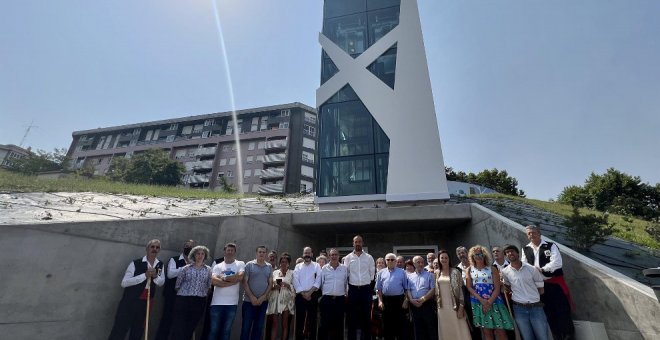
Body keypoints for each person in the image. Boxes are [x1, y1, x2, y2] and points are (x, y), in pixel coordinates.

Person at [521, 225, 575, 340]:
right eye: (529, 233)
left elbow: (557, 262)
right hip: (539, 287)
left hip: (554, 284)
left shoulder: (550, 246)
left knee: (562, 310)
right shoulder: (525, 249)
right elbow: (524, 265)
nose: (531, 235)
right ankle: (557, 336)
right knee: (548, 312)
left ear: (539, 233)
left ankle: (568, 336)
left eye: (533, 232)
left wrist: (542, 269)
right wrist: (533, 272)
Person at [108, 239, 165, 340]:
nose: (155, 249)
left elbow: (161, 282)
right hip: (130, 301)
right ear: (147, 249)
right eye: (152, 247)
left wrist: (155, 276)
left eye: (157, 247)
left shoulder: (160, 265)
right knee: (120, 328)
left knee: (138, 330)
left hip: (146, 303)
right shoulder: (136, 263)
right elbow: (124, 283)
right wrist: (144, 275)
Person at [502, 244, 551, 340]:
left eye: (512, 251)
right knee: (527, 337)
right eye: (507, 252)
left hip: (536, 308)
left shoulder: (532, 269)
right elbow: (507, 286)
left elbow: (541, 289)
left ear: (517, 253)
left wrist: (532, 298)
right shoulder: (505, 272)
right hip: (519, 309)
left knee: (543, 337)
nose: (510, 253)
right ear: (506, 256)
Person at [465, 245, 514, 340]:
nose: (478, 256)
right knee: (487, 332)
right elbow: (469, 287)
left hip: (495, 302)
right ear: (472, 257)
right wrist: (482, 301)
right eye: (476, 255)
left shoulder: (492, 268)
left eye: (480, 254)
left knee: (500, 331)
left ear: (484, 255)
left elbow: (497, 287)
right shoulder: (469, 270)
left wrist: (489, 302)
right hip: (478, 303)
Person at [170, 245, 212, 340]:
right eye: (198, 253)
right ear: (194, 255)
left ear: (205, 256)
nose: (200, 256)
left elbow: (209, 287)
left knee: (191, 326)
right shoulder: (185, 268)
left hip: (199, 301)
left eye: (202, 254)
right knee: (179, 326)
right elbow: (177, 285)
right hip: (184, 300)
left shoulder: (208, 270)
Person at [156, 239, 194, 340]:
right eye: (187, 246)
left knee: (180, 323)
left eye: (191, 247)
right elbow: (170, 274)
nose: (189, 248)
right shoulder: (174, 259)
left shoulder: (195, 263)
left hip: (186, 297)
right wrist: (186, 267)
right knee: (167, 320)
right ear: (183, 247)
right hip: (172, 295)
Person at [208, 242, 245, 340]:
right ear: (224, 251)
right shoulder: (217, 266)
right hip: (216, 303)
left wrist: (223, 278)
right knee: (213, 330)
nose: (230, 252)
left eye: (232, 250)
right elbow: (213, 281)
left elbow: (240, 277)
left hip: (231, 304)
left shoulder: (240, 264)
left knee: (226, 331)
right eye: (228, 250)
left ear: (235, 252)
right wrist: (231, 282)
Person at [343, 235, 375, 340]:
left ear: (362, 243)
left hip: (365, 290)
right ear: (353, 243)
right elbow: (346, 274)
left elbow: (372, 274)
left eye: (359, 241)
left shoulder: (369, 257)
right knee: (352, 318)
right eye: (356, 242)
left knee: (366, 317)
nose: (358, 243)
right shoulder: (347, 258)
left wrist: (365, 283)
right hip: (353, 290)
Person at [435, 250, 471, 340]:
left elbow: (461, 290)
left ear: (449, 259)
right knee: (446, 331)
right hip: (442, 308)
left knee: (460, 329)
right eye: (442, 258)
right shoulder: (437, 273)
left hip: (456, 306)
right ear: (439, 259)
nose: (444, 259)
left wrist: (461, 307)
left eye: (446, 257)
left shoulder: (456, 272)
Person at [240, 245, 273, 340]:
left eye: (263, 252)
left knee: (258, 329)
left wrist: (263, 297)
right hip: (248, 302)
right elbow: (244, 282)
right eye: (260, 252)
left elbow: (270, 284)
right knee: (246, 328)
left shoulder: (269, 266)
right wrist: (252, 297)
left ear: (266, 254)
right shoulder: (249, 265)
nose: (262, 253)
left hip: (263, 303)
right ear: (256, 253)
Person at [376, 253, 408, 340]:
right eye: (388, 260)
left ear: (396, 261)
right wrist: (380, 301)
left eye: (392, 259)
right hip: (386, 301)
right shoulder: (381, 272)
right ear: (385, 261)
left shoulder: (402, 272)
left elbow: (406, 289)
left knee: (400, 327)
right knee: (387, 327)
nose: (390, 261)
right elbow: (379, 289)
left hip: (399, 301)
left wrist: (406, 300)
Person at [293, 246, 322, 340]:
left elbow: (318, 280)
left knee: (312, 321)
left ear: (312, 254)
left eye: (309, 253)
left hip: (312, 295)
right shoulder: (298, 266)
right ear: (303, 254)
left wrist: (309, 293)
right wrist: (303, 294)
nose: (307, 255)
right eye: (305, 253)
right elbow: (295, 281)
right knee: (299, 321)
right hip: (300, 296)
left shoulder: (317, 266)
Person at [319, 248, 348, 340]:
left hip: (340, 300)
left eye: (336, 254)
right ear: (329, 257)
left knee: (339, 325)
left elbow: (346, 283)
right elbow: (321, 283)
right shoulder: (324, 268)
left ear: (339, 256)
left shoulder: (344, 268)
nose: (334, 256)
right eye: (332, 255)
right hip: (327, 300)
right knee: (325, 324)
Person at [406, 255, 437, 340]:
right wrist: (411, 300)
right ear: (414, 264)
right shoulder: (410, 277)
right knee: (418, 330)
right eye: (418, 262)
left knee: (430, 329)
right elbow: (408, 290)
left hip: (427, 305)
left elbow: (433, 289)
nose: (420, 264)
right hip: (414, 306)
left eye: (422, 262)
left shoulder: (429, 275)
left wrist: (423, 299)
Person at [266, 253, 295, 340]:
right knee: (274, 324)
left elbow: (295, 287)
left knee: (285, 324)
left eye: (286, 262)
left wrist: (288, 285)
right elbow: (270, 286)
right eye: (282, 262)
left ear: (288, 263)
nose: (283, 263)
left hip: (286, 301)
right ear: (279, 263)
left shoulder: (292, 273)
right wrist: (275, 287)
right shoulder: (274, 272)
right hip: (275, 300)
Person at [456, 245, 481, 340]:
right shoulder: (457, 269)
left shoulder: (476, 264)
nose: (461, 255)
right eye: (459, 254)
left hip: (480, 294)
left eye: (463, 252)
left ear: (467, 253)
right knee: (474, 323)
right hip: (468, 298)